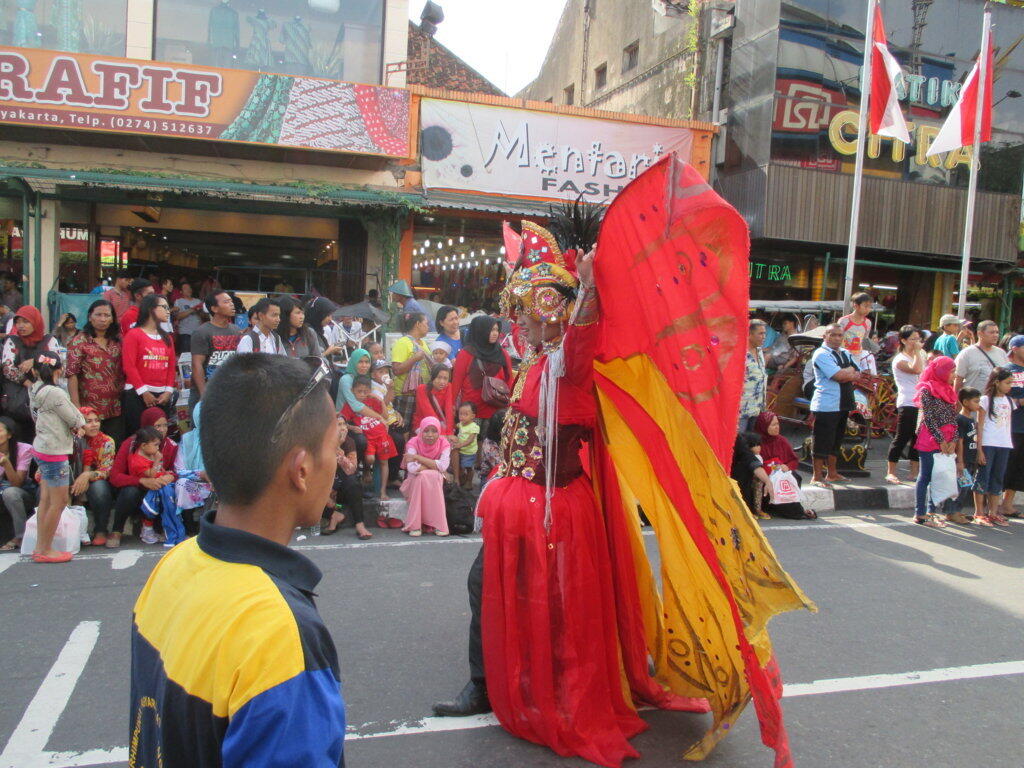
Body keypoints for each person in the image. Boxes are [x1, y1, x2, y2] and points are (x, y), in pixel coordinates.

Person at [129, 353, 346, 767]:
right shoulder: (279, 634)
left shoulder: (172, 566)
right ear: (301, 471)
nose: (338, 463)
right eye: (335, 446)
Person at [28, 352, 86, 563]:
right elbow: (73, 417)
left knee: (45, 500)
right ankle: (45, 549)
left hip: (42, 446)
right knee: (59, 502)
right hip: (54, 451)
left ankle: (40, 546)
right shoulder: (55, 393)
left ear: (35, 371)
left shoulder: (35, 389)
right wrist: (80, 423)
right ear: (59, 370)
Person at [107, 407, 179, 548]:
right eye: (157, 426)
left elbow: (176, 471)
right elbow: (115, 477)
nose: (163, 430)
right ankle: (117, 530)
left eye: (165, 425)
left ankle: (167, 529)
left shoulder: (170, 446)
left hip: (158, 489)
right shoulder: (131, 444)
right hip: (135, 489)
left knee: (170, 490)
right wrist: (142, 481)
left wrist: (170, 477)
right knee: (130, 492)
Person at [809, 324, 861, 487]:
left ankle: (832, 473)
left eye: (840, 335)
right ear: (825, 336)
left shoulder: (845, 352)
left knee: (837, 440)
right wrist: (847, 373)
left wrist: (847, 374)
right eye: (833, 335)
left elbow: (858, 373)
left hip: (844, 402)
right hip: (826, 403)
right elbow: (837, 376)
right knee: (822, 440)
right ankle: (817, 476)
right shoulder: (821, 354)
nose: (837, 338)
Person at [66, 299, 124, 443]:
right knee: (90, 452)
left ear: (112, 319)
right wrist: (77, 407)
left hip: (116, 407)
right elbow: (72, 374)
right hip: (90, 409)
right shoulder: (79, 341)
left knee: (112, 447)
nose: (103, 319)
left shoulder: (117, 341)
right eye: (98, 315)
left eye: (107, 315)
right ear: (90, 317)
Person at [2, 305, 62, 442]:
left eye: (26, 321)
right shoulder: (12, 341)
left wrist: (34, 361)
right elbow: (7, 368)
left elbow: (57, 363)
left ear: (36, 322)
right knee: (19, 442)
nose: (21, 326)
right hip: (16, 404)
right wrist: (29, 384)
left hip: (44, 403)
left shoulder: (49, 340)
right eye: (18, 322)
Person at [912, 357, 959, 528]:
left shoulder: (949, 389)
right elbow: (929, 418)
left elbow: (954, 418)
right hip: (930, 438)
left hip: (947, 439)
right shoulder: (927, 390)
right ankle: (920, 513)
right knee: (925, 476)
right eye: (952, 371)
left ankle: (932, 512)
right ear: (941, 371)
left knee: (938, 477)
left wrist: (953, 440)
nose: (954, 375)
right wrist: (941, 440)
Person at [121, 294, 176, 436]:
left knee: (159, 437)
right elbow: (129, 366)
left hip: (162, 396)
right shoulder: (134, 334)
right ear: (151, 309)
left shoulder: (167, 337)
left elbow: (171, 366)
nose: (168, 311)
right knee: (138, 436)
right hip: (137, 394)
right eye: (164, 307)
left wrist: (168, 391)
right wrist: (143, 392)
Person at [341, 374, 396, 501]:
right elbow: (341, 420)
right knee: (370, 459)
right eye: (359, 391)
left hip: (382, 437)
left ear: (370, 391)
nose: (362, 394)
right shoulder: (351, 405)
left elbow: (385, 417)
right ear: (352, 391)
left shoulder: (373, 401)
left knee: (384, 462)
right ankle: (366, 471)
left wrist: (381, 400)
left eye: (365, 392)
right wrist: (352, 428)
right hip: (369, 439)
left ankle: (382, 491)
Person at [450, 316, 512, 426]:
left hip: (496, 409)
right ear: (481, 331)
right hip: (471, 411)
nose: (495, 333)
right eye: (491, 330)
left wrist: (509, 405)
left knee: (491, 442)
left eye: (497, 330)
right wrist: (451, 405)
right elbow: (457, 382)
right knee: (470, 442)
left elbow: (509, 381)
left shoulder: (503, 354)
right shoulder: (466, 354)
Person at [753, 411, 815, 519]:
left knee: (795, 477)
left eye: (777, 424)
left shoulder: (781, 440)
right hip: (764, 474)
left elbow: (793, 460)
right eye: (773, 425)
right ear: (764, 426)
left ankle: (792, 509)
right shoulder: (756, 442)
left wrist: (786, 467)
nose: (777, 427)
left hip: (781, 472)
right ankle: (771, 506)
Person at [189, 289, 242, 411]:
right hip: (206, 391)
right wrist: (204, 395)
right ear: (214, 309)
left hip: (228, 391)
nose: (232, 304)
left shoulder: (236, 330)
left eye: (231, 301)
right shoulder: (202, 332)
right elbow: (197, 364)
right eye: (226, 302)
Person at [974, 367, 1014, 527]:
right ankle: (979, 513)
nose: (1009, 386)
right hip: (988, 444)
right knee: (983, 477)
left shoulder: (1009, 401)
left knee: (998, 478)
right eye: (1007, 383)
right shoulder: (985, 400)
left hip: (1004, 444)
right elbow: (980, 425)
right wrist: (979, 449)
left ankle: (993, 512)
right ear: (996, 382)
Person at [70, 407, 116, 546]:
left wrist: (87, 475)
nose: (94, 424)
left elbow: (106, 470)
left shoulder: (106, 441)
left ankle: (101, 530)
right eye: (88, 421)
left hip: (94, 479)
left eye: (97, 420)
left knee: (100, 488)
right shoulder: (70, 438)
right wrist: (77, 440)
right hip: (71, 477)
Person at [886, 325, 926, 484]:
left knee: (919, 438)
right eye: (913, 339)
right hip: (907, 401)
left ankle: (914, 471)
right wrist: (917, 351)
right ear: (903, 340)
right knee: (902, 436)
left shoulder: (921, 354)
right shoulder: (900, 359)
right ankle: (891, 471)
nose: (917, 342)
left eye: (918, 339)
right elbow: (916, 369)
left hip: (921, 402)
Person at [400, 416, 450, 536]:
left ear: (439, 432)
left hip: (432, 480)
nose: (430, 435)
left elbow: (443, 466)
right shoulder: (413, 442)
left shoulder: (444, 443)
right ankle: (416, 525)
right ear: (421, 431)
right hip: (414, 481)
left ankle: (436, 524)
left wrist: (418, 458)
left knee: (430, 475)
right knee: (424, 476)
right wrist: (433, 465)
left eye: (434, 431)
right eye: (426, 431)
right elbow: (412, 468)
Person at [326, 418, 372, 540]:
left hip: (343, 487)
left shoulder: (349, 442)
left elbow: (351, 469)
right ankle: (336, 514)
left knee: (353, 482)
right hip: (327, 486)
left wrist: (338, 449)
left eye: (344, 424)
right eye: (338, 425)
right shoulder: (322, 442)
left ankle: (360, 524)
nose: (343, 428)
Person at [173, 400, 212, 536]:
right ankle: (189, 527)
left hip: (215, 482)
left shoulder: (221, 439)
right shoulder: (187, 439)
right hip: (195, 481)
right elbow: (179, 470)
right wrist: (201, 474)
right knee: (182, 485)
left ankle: (211, 528)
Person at [390, 312, 432, 430]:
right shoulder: (403, 342)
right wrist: (414, 358)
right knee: (403, 429)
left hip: (421, 393)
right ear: (418, 324)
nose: (428, 327)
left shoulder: (423, 343)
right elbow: (396, 370)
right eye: (426, 323)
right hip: (406, 394)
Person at [998, 335, 1024, 519]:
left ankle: (1008, 504)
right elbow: (999, 400)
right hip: (1009, 427)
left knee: (1018, 468)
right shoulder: (1006, 371)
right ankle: (989, 507)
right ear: (1015, 348)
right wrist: (1021, 401)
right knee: (1004, 466)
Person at [0, 417, 33, 551]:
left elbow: (17, 484)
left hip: (25, 493)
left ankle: (20, 536)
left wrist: (7, 464)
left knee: (11, 493)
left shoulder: (24, 449)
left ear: (9, 434)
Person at [954, 319, 1009, 392]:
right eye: (991, 332)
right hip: (973, 401)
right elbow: (958, 380)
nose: (995, 335)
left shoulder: (1002, 353)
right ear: (980, 334)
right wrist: (957, 402)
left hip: (996, 401)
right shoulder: (966, 353)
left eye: (997, 332)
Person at [955, 388, 982, 525]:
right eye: (976, 401)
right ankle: (953, 512)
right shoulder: (961, 419)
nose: (978, 404)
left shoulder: (971, 419)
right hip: (963, 460)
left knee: (966, 486)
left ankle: (957, 510)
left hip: (971, 459)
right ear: (965, 402)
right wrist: (960, 461)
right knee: (962, 487)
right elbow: (959, 441)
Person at [739, 319, 768, 431]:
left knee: (754, 443)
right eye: (760, 333)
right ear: (749, 334)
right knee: (740, 443)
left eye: (764, 333)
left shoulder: (759, 351)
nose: (764, 336)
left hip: (758, 408)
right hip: (742, 409)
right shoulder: (740, 353)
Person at [413, 364, 454, 434]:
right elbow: (429, 413)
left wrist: (449, 432)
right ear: (432, 377)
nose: (442, 382)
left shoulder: (448, 386)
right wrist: (444, 435)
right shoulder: (422, 389)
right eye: (439, 377)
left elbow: (449, 410)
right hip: (422, 423)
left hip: (439, 421)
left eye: (445, 378)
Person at [452, 401, 479, 489]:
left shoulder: (474, 427)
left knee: (468, 468)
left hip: (469, 452)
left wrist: (461, 445)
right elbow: (454, 426)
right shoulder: (461, 424)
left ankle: (469, 482)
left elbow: (470, 440)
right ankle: (463, 479)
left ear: (472, 416)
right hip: (461, 450)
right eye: (460, 414)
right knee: (460, 466)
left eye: (465, 414)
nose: (462, 417)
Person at [837, 292, 873, 357]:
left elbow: (865, 340)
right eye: (865, 306)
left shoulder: (868, 323)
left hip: (858, 359)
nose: (868, 309)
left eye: (870, 306)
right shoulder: (844, 321)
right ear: (855, 305)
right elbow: (836, 339)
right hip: (842, 357)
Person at [171, 281, 202, 353]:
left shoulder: (198, 301)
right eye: (185, 288)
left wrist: (200, 310)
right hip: (185, 333)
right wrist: (193, 309)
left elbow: (203, 316)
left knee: (197, 355)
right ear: (181, 292)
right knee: (185, 357)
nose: (188, 289)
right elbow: (178, 316)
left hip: (198, 333)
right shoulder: (179, 301)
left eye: (189, 288)